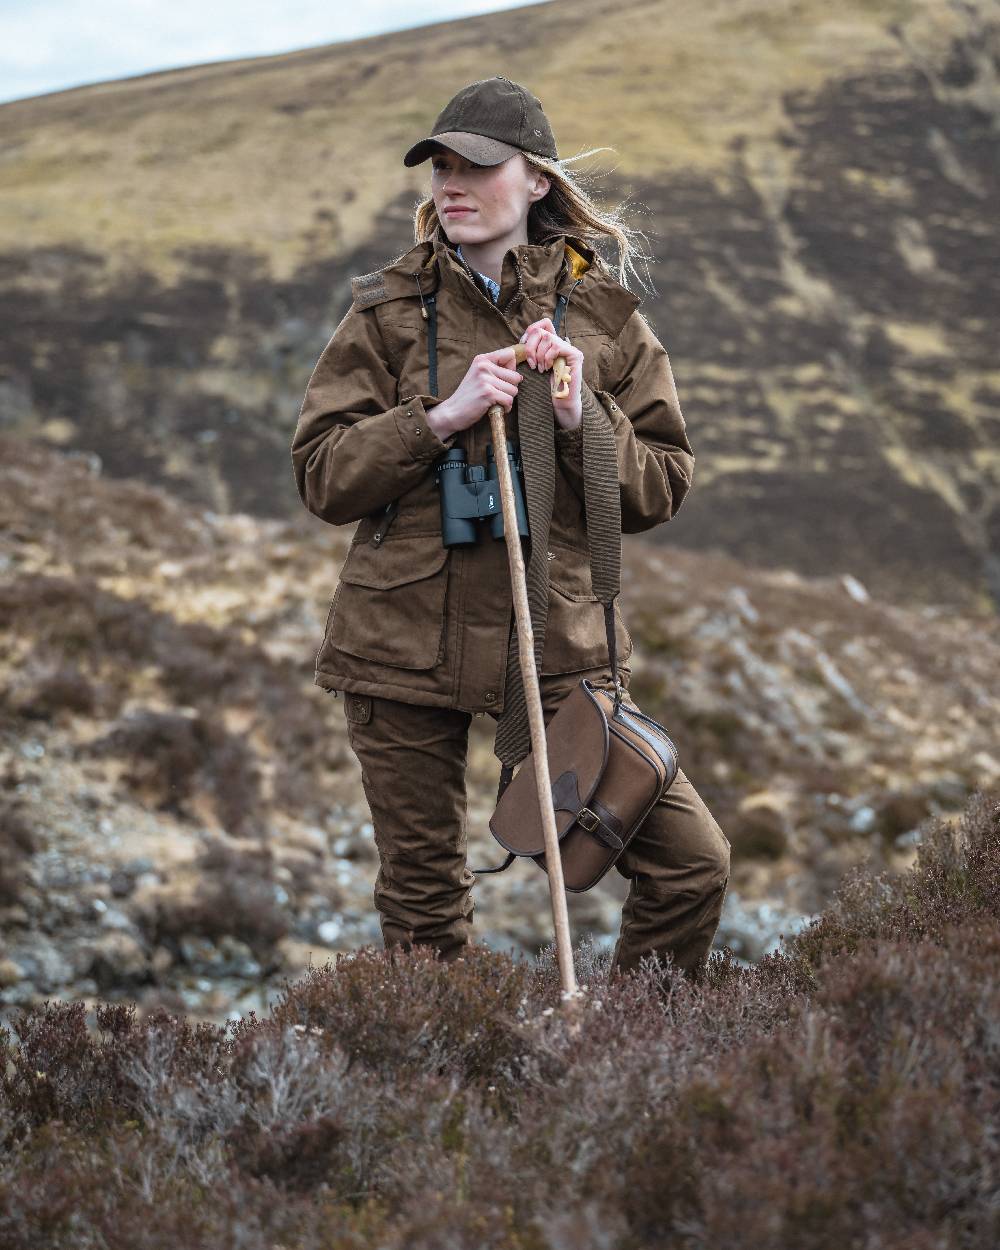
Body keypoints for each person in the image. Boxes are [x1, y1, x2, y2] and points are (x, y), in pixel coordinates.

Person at [290, 76, 730, 985]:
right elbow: (323, 477)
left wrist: (583, 420)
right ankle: (439, 1093)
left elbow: (662, 488)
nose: (454, 184)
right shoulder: (381, 313)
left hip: (559, 641)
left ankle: (627, 1057)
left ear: (535, 181)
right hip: (398, 641)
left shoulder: (606, 320)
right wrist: (439, 417)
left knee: (691, 865)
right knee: (421, 899)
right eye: (442, 166)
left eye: (478, 167)